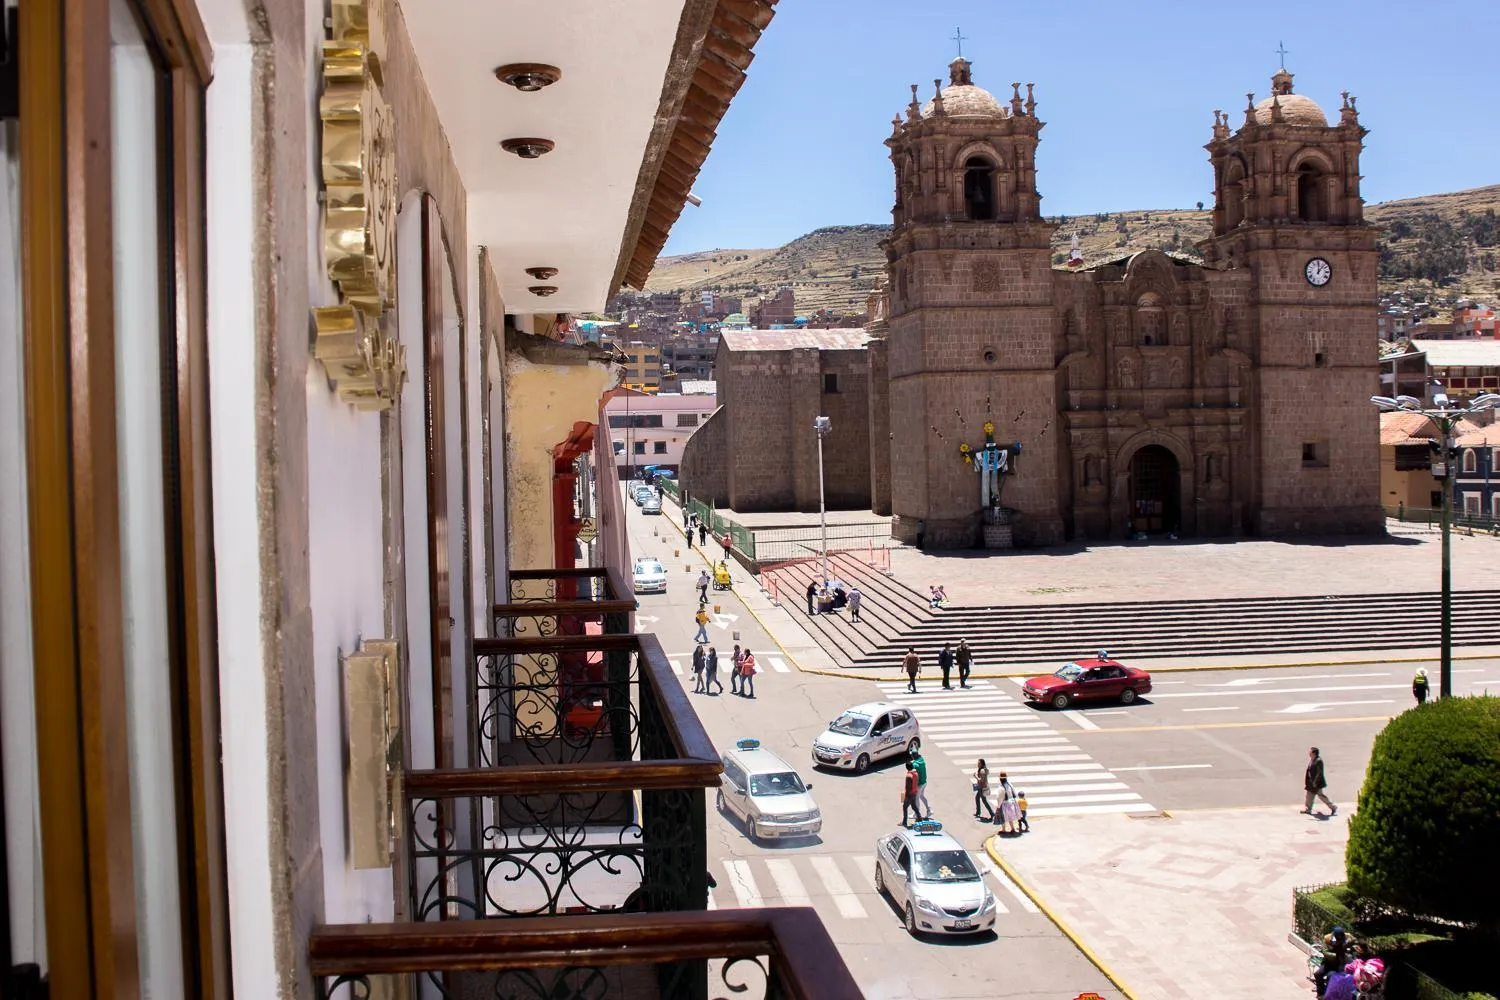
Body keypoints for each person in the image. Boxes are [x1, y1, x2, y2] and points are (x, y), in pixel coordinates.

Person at [1315, 926, 1351, 998]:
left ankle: (1328, 995)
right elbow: (1327, 948)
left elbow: (1350, 942)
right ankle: (1321, 992)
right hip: (1328, 963)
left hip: (1338, 966)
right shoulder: (1331, 939)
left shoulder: (1345, 941)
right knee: (1317, 974)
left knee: (1330, 977)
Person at [1302, 747, 1336, 817]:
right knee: (1309, 795)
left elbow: (1319, 773)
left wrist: (1315, 782)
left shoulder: (1318, 761)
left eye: (1310, 752)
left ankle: (1333, 807)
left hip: (1317, 783)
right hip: (1311, 782)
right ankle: (1308, 809)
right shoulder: (1312, 759)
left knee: (1320, 796)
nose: (1309, 753)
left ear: (1314, 753)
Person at [901, 761, 921, 827]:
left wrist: (905, 796)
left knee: (904, 807)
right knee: (914, 806)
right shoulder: (916, 773)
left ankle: (904, 822)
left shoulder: (908, 776)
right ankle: (919, 817)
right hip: (915, 792)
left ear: (906, 767)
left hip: (910, 794)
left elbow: (908, 787)